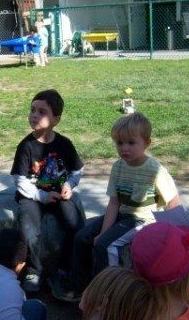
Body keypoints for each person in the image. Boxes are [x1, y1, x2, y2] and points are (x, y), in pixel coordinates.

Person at [57, 112, 180, 302]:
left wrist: (173, 234)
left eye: (131, 143)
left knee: (106, 245)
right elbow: (114, 202)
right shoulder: (118, 167)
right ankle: (79, 287)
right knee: (82, 237)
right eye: (119, 143)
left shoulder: (154, 170)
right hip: (122, 216)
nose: (125, 148)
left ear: (146, 142)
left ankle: (108, 293)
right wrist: (104, 231)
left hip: (142, 220)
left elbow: (173, 200)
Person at [10, 89, 84, 292]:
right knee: (29, 228)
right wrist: (41, 196)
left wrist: (69, 185)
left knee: (73, 223)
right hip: (31, 197)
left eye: (41, 112)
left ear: (56, 119)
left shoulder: (64, 144)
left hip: (59, 193)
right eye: (32, 110)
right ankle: (35, 269)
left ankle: (67, 267)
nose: (34, 115)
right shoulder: (26, 146)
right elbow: (20, 180)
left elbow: (78, 170)